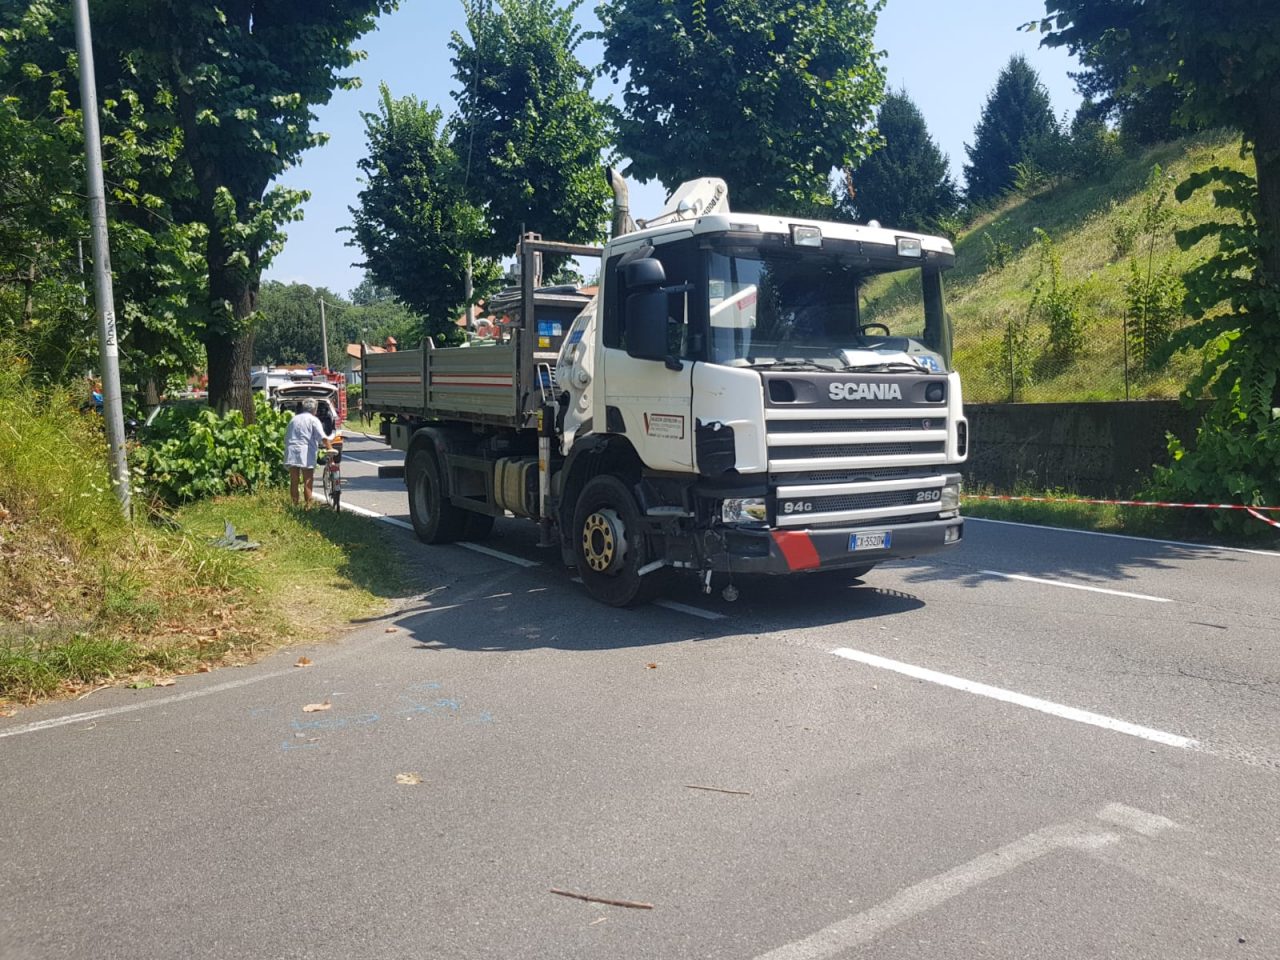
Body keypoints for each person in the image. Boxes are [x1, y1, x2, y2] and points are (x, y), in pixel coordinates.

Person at [283, 398, 334, 507]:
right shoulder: (313, 420)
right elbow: (323, 437)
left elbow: (286, 436)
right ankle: (308, 506)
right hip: (305, 452)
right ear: (315, 409)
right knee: (308, 480)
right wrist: (330, 449)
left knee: (294, 481)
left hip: (291, 450)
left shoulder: (294, 419)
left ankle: (294, 505)